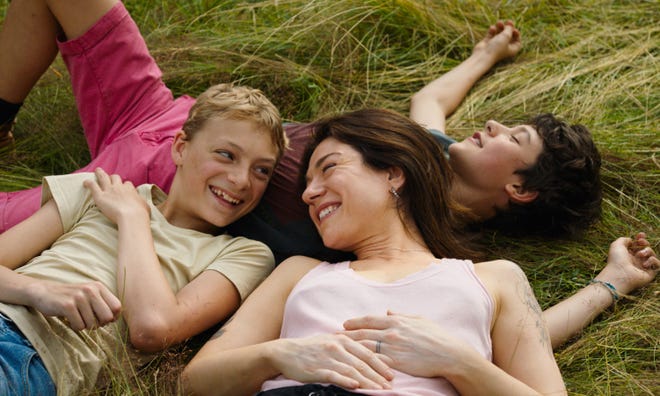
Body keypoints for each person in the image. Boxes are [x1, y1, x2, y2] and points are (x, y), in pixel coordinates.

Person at [0, 0, 654, 352]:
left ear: (519, 189)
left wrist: (610, 283)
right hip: (178, 127)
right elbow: (431, 103)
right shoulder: (425, 144)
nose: (491, 128)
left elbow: (510, 331)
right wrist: (482, 56)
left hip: (154, 203)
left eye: (513, 139)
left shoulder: (427, 243)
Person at [0, 5, 289, 392]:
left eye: (261, 170)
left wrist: (134, 221)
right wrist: (38, 290)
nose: (240, 180)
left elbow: (152, 330)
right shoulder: (102, 192)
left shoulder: (243, 254)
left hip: (27, 354)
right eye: (226, 155)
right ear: (181, 148)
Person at [181, 108, 569, 395]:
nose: (308, 193)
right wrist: (279, 356)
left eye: (329, 168)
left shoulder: (496, 278)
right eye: (308, 180)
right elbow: (193, 384)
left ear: (393, 173)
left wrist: (457, 362)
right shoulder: (298, 272)